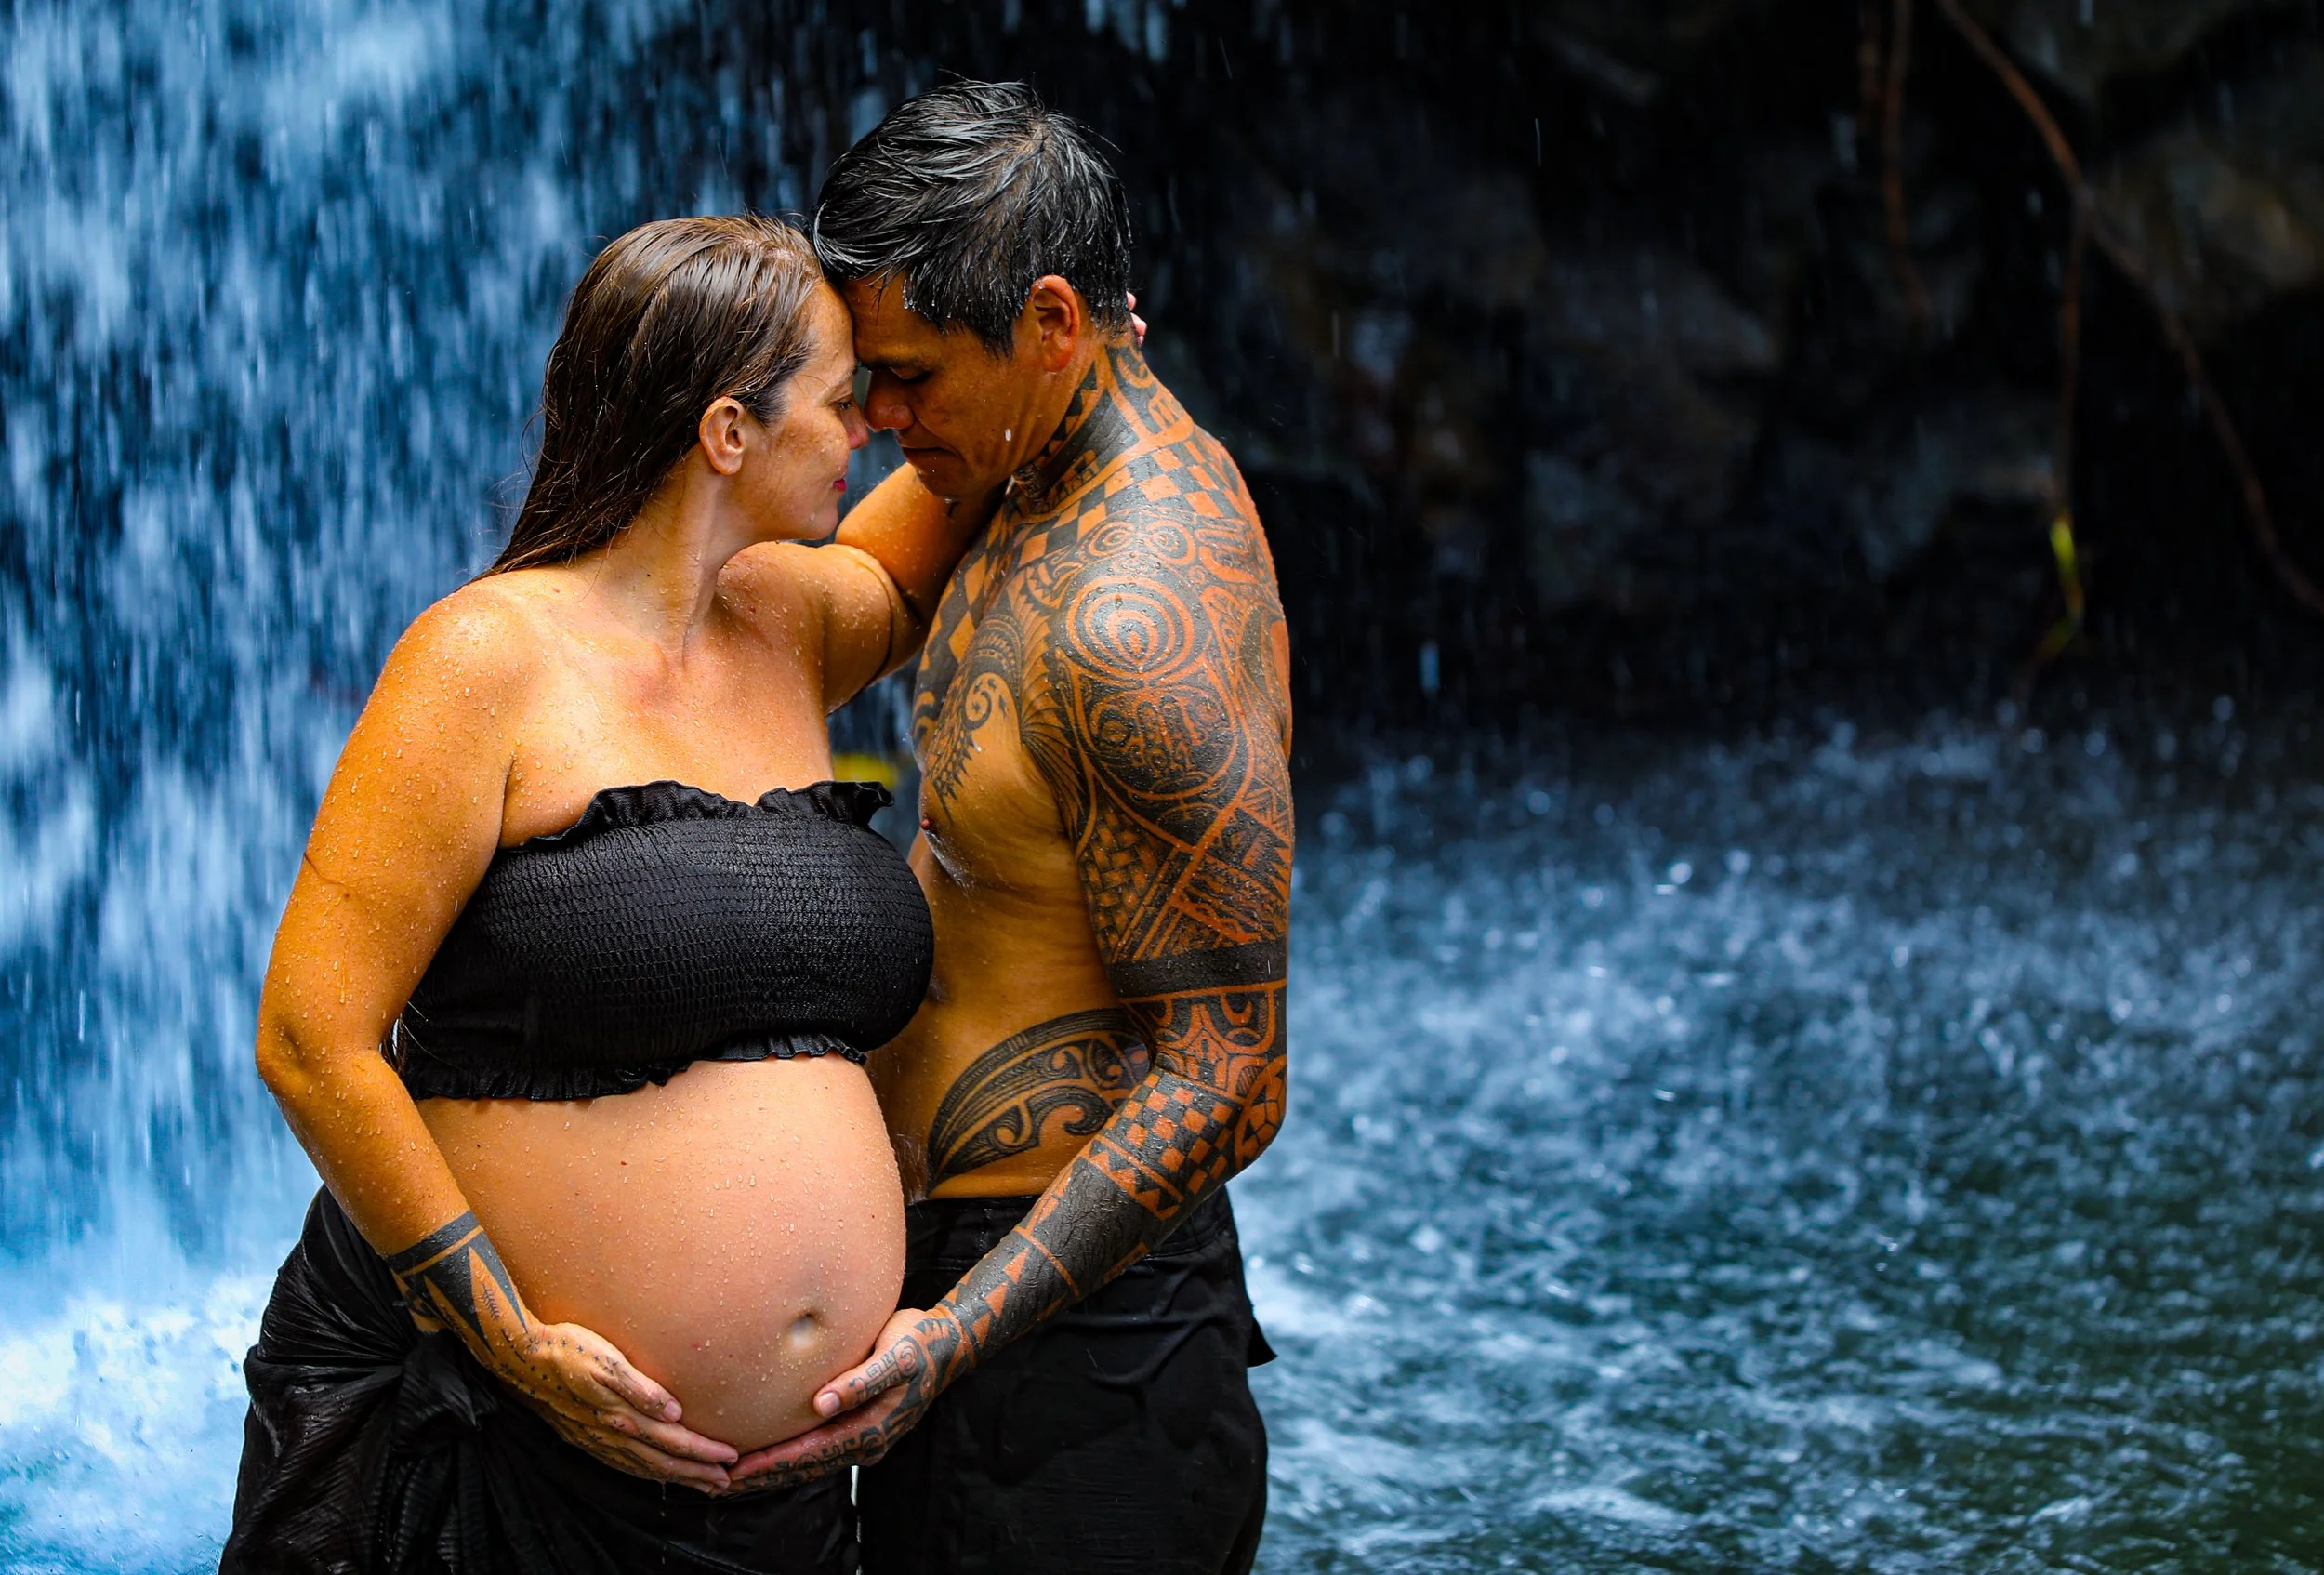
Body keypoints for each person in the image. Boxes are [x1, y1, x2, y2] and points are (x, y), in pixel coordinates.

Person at [219, 215, 996, 1575]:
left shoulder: (788, 620)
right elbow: (309, 1036)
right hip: (500, 1438)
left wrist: (1044, 373)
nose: (871, 423)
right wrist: (507, 1338)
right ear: (727, 433)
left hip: (782, 1492)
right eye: (839, 398)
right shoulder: (484, 660)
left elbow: (913, 546)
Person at [730, 83, 1294, 1575]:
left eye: (907, 377)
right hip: (975, 1318)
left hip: (1074, 1361)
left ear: (1049, 324)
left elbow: (1231, 1077)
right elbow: (829, 613)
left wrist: (956, 1334)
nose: (877, 418)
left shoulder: (1132, 621)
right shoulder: (1025, 460)